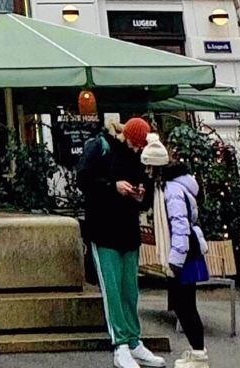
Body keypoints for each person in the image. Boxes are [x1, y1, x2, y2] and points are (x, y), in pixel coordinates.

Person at [77, 116, 165, 368]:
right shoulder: (100, 147)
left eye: (141, 147)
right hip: (103, 229)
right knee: (113, 290)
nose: (138, 150)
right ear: (126, 136)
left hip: (128, 231)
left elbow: (145, 194)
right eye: (136, 145)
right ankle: (121, 345)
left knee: (129, 290)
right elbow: (83, 180)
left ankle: (134, 341)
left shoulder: (138, 156)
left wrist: (140, 195)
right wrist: (112, 186)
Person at [141, 134, 209, 368]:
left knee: (185, 305)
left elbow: (179, 226)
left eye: (149, 166)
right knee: (183, 304)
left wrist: (174, 261)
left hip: (183, 253)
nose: (147, 171)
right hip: (183, 251)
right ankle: (196, 350)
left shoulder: (171, 191)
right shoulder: (169, 186)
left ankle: (200, 354)